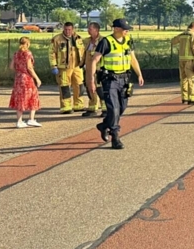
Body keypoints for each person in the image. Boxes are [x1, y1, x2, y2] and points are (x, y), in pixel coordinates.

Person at [86, 18, 144, 150]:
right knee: (113, 109)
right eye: (125, 29)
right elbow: (94, 61)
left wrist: (139, 74)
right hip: (110, 80)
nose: (127, 31)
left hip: (124, 79)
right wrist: (91, 80)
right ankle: (115, 137)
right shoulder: (106, 42)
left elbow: (133, 59)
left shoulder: (128, 41)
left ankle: (104, 125)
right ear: (116, 29)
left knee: (122, 108)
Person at [49, 22, 86, 114]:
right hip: (64, 67)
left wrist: (84, 63)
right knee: (65, 87)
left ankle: (78, 105)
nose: (67, 31)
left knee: (79, 85)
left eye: (69, 29)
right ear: (63, 29)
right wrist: (53, 65)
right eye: (65, 29)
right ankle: (66, 107)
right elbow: (51, 53)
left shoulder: (78, 38)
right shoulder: (57, 39)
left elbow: (83, 51)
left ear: (73, 29)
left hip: (77, 66)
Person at [9, 37, 42, 128]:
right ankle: (31, 119)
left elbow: (11, 67)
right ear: (27, 44)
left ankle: (19, 121)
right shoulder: (28, 53)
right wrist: (37, 78)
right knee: (33, 96)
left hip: (18, 78)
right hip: (27, 78)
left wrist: (19, 69)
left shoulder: (16, 54)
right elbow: (30, 68)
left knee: (20, 98)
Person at [170, 21, 194, 105]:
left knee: (183, 79)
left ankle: (184, 98)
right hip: (190, 60)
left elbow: (173, 41)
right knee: (191, 79)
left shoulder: (182, 35)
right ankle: (192, 97)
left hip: (181, 60)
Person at [81, 21, 105, 117]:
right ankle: (92, 108)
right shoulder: (86, 41)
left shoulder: (103, 41)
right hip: (88, 69)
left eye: (90, 29)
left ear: (96, 30)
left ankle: (105, 109)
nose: (88, 30)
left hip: (99, 69)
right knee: (89, 88)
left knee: (100, 89)